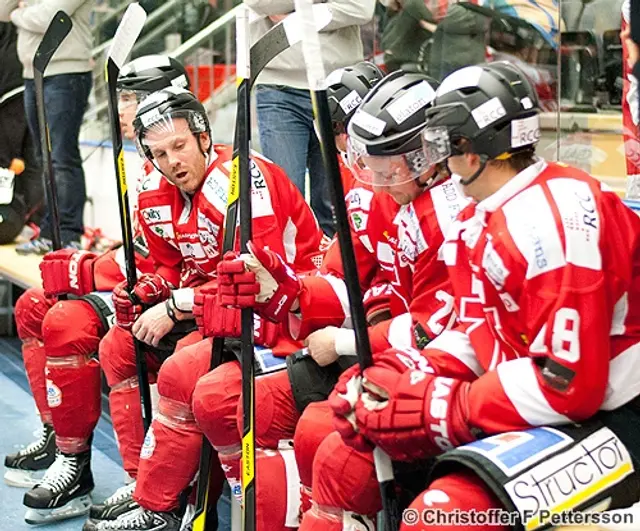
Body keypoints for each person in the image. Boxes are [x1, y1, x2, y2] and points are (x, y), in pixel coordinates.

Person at [330, 61, 640, 531]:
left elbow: (567, 382)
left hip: (619, 412)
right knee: (341, 457)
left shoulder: (555, 223)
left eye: (440, 144)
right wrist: (403, 371)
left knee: (446, 518)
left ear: (467, 152)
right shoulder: (485, 214)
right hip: (561, 400)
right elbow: (479, 328)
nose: (433, 159)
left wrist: (448, 405)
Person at [215, 69, 469, 530]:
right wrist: (286, 294)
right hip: (390, 350)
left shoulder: (449, 219)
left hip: (434, 369)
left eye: (386, 168)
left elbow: (431, 327)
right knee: (257, 405)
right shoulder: (383, 196)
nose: (374, 180)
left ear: (427, 157)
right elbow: (348, 284)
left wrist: (348, 342)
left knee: (323, 439)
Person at [92, 86, 326, 531]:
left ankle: (166, 506)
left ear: (203, 137)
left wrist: (178, 304)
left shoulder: (242, 182)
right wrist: (149, 289)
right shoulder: (156, 191)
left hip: (285, 313)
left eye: (179, 146)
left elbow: (260, 283)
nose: (172, 162)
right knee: (120, 345)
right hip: (217, 308)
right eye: (159, 154)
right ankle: (143, 483)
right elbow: (172, 264)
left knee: (186, 375)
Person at [3, 55, 192, 527]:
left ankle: (134, 477)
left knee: (68, 322)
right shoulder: (147, 157)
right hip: (146, 287)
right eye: (123, 98)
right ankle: (64, 444)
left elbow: (167, 260)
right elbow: (139, 247)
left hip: (172, 299)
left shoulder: (180, 157)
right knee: (30, 307)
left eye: (131, 98)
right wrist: (93, 261)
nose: (122, 109)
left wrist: (86, 272)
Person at [246, 0, 376, 237]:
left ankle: (332, 271)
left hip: (338, 87)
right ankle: (294, 271)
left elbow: (361, 8)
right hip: (279, 86)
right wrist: (323, 7)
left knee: (336, 203)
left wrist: (295, 15)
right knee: (286, 200)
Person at [0, 0, 93, 253]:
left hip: (66, 73)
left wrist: (20, 12)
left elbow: (48, 18)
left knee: (62, 158)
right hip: (32, 73)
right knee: (45, 159)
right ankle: (50, 232)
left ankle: (69, 234)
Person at [0, 21, 43, 244]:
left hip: (13, 90)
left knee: (7, 160)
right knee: (30, 156)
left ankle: (15, 217)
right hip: (23, 84)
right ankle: (30, 218)